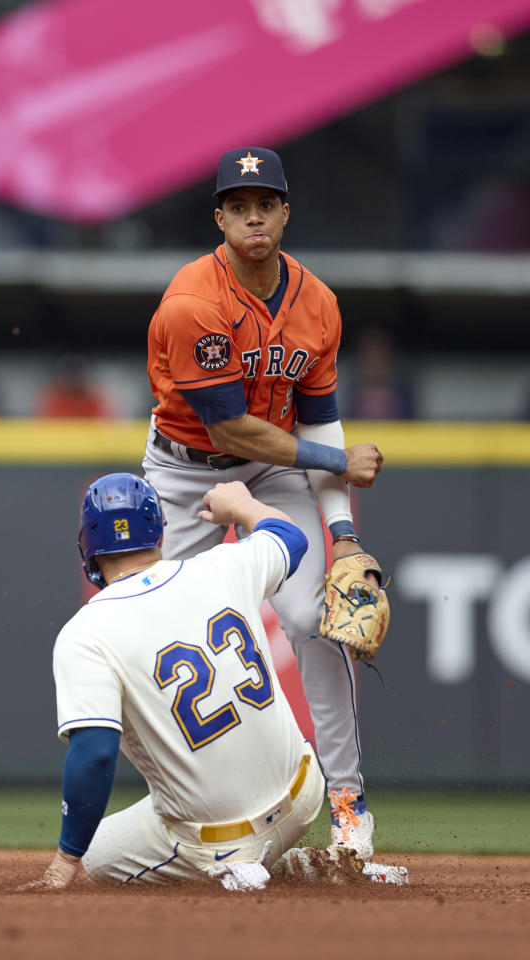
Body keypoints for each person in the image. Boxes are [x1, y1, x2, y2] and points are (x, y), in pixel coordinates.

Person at [143, 147, 384, 860]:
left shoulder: (318, 304)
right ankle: (181, 806)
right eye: (239, 205)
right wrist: (337, 464)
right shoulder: (193, 301)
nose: (254, 216)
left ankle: (347, 799)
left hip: (273, 469)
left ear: (284, 212)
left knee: (320, 619)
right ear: (219, 217)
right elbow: (226, 427)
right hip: (184, 473)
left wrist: (340, 533)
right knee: (153, 636)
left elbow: (317, 419)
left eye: (266, 203)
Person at [25, 474, 324, 891]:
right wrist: (241, 505)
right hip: (306, 795)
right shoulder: (223, 565)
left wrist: (64, 860)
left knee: (98, 855)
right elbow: (291, 537)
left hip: (219, 840)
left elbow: (94, 755)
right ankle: (284, 862)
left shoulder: (85, 632)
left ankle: (237, 867)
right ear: (159, 528)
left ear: (87, 547)